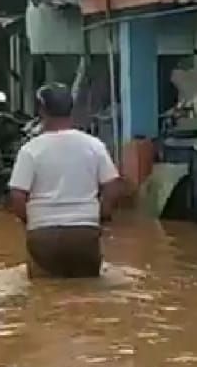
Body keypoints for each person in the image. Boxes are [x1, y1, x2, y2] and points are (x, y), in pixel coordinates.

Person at [8, 83, 122, 278]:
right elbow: (112, 187)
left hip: (43, 235)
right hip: (84, 233)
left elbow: (17, 196)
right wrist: (101, 215)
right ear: (72, 109)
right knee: (89, 294)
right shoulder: (94, 146)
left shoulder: (31, 149)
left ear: (42, 110)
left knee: (43, 294)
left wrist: (33, 221)